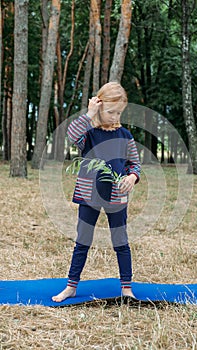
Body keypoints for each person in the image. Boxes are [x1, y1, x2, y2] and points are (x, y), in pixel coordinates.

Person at [52, 82, 141, 302]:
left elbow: (134, 164)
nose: (114, 116)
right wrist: (89, 113)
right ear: (100, 106)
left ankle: (126, 287)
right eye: (110, 111)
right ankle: (71, 286)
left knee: (120, 241)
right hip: (88, 194)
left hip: (116, 195)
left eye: (119, 112)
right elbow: (71, 136)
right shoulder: (88, 133)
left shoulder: (125, 135)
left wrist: (132, 177)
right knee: (83, 240)